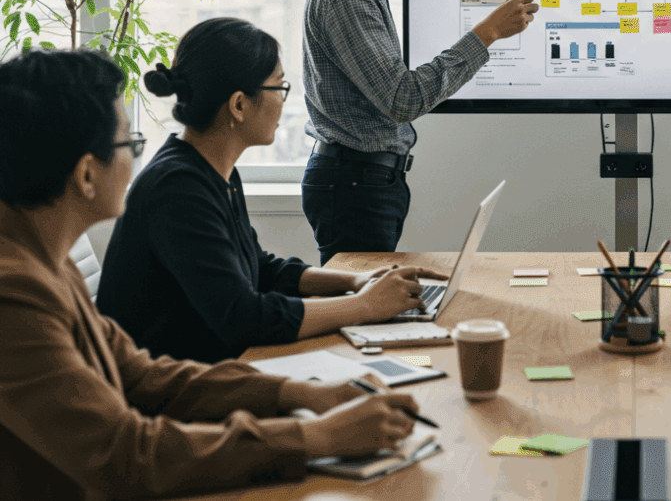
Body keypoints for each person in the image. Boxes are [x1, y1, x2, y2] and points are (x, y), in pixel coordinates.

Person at [0, 49, 424, 500]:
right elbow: (126, 455)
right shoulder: (14, 293)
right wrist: (318, 437)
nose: (137, 160)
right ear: (87, 174)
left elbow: (143, 376)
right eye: (130, 144)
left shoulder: (47, 259)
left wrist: (300, 394)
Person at [96, 18, 446, 363]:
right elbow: (245, 319)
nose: (284, 100)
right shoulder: (177, 189)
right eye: (279, 87)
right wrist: (365, 306)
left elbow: (261, 270)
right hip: (173, 394)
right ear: (238, 104)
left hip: (218, 370)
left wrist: (358, 281)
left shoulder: (213, 172)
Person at [303, 0, 538, 264]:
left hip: (366, 181)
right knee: (363, 313)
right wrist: (485, 34)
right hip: (354, 184)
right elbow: (401, 98)